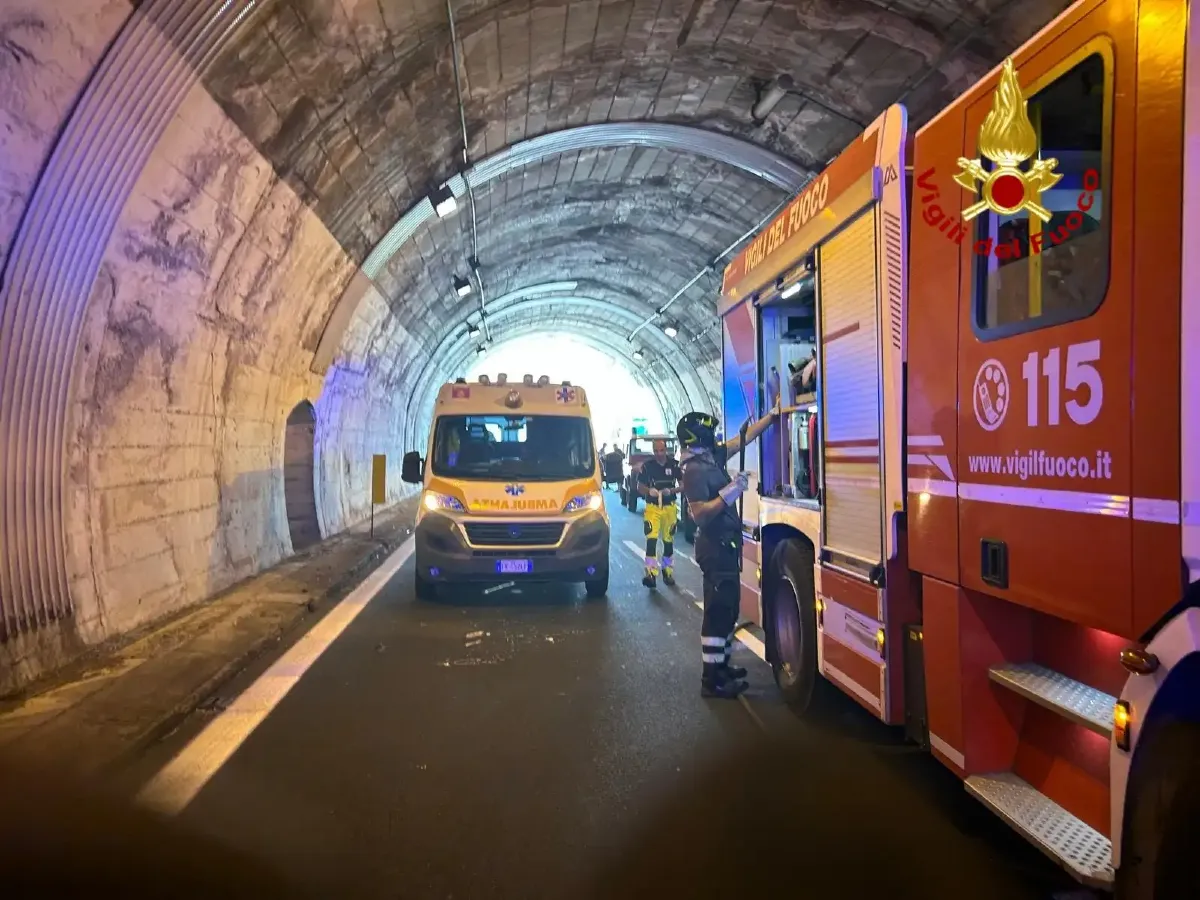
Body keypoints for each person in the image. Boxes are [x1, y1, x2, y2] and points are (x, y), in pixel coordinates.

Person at [677, 404, 779, 699]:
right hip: (715, 547)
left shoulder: (710, 458)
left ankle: (721, 666)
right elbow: (700, 515)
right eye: (708, 433)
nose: (714, 436)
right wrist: (731, 492)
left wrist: (771, 416)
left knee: (729, 608)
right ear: (696, 438)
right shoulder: (693, 471)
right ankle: (712, 680)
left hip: (726, 546)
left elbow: (741, 440)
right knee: (718, 612)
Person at [637, 439, 681, 589]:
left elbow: (683, 485)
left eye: (661, 451)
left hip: (669, 507)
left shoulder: (674, 465)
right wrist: (649, 491)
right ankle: (650, 573)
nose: (659, 454)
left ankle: (667, 571)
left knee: (668, 541)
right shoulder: (647, 467)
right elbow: (640, 487)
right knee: (651, 540)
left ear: (666, 450)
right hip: (653, 507)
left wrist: (672, 491)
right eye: (656, 451)